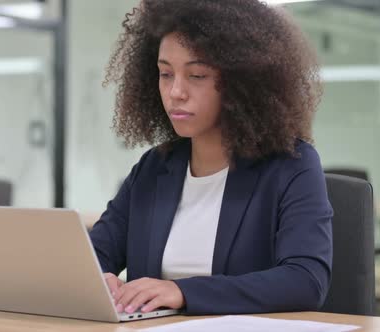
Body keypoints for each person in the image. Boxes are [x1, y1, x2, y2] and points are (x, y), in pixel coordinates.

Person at [89, 0, 333, 316]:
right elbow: (94, 255)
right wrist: (100, 279)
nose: (175, 91)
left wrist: (182, 291)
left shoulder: (291, 165)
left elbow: (305, 281)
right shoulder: (153, 168)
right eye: (165, 73)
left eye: (197, 75)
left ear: (242, 81)